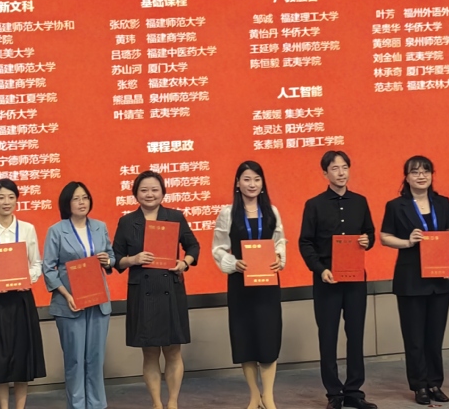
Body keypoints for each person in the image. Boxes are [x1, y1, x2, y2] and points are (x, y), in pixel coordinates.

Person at [112, 170, 200, 409]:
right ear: (135, 193)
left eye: (154, 189)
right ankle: (156, 404)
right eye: (144, 190)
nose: (149, 194)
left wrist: (184, 263)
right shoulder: (127, 222)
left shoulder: (175, 217)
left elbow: (193, 246)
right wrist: (133, 259)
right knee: (150, 352)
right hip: (143, 292)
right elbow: (115, 258)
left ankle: (172, 402)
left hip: (170, 288)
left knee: (173, 351)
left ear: (163, 192)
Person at [299, 151, 377, 409]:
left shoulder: (360, 201)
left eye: (345, 167)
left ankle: (354, 391)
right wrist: (320, 269)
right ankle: (334, 392)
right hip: (327, 280)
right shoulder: (314, 204)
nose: (341, 172)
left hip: (355, 280)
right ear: (325, 173)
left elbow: (369, 233)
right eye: (335, 168)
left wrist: (367, 240)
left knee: (355, 334)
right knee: (328, 336)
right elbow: (305, 242)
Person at [380, 156, 449, 405]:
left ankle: (435, 383)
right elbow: (384, 237)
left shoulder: (442, 203)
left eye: (426, 171)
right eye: (415, 172)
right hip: (411, 279)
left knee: (435, 336)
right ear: (406, 177)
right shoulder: (396, 206)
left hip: (440, 278)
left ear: (432, 175)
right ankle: (419, 386)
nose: (421, 176)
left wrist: (447, 261)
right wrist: (407, 242)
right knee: (414, 337)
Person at [212, 161, 286, 409]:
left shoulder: (271, 212)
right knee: (245, 339)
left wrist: (279, 259)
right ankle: (254, 396)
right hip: (240, 285)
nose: (252, 184)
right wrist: (233, 263)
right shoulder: (227, 213)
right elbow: (218, 248)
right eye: (246, 179)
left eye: (256, 179)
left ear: (262, 183)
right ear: (237, 183)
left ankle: (269, 397)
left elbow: (280, 241)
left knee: (268, 338)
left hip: (267, 284)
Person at [0, 179, 46, 409]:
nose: (6, 202)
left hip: (22, 298)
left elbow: (37, 263)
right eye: (1, 197)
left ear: (17, 200)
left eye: (11, 197)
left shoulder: (27, 229)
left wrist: (28, 278)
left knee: (22, 355)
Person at [43, 182, 115, 409]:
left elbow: (111, 256)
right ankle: (77, 405)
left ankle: (97, 405)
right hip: (70, 304)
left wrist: (108, 260)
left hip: (98, 302)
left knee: (95, 359)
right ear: (67, 203)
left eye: (85, 197)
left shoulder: (100, 227)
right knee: (75, 360)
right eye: (76, 198)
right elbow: (48, 268)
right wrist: (67, 295)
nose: (82, 202)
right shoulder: (56, 230)